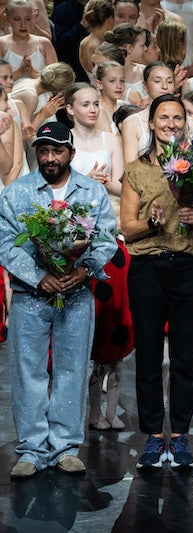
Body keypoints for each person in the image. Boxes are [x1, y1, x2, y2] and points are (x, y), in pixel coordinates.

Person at [0, 121, 117, 478]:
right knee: (28, 372)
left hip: (76, 293)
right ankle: (32, 449)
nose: (50, 158)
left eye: (57, 151)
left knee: (73, 370)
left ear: (71, 153)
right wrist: (39, 276)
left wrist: (84, 270)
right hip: (30, 296)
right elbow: (5, 242)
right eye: (44, 151)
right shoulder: (17, 192)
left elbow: (106, 238)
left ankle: (66, 447)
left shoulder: (92, 192)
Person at [120, 94, 193, 469]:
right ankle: (151, 436)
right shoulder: (136, 169)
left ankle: (178, 437)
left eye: (178, 118)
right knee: (147, 355)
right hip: (147, 269)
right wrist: (152, 223)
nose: (171, 124)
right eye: (163, 117)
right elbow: (128, 228)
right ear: (151, 123)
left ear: (185, 123)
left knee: (184, 357)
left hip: (189, 268)